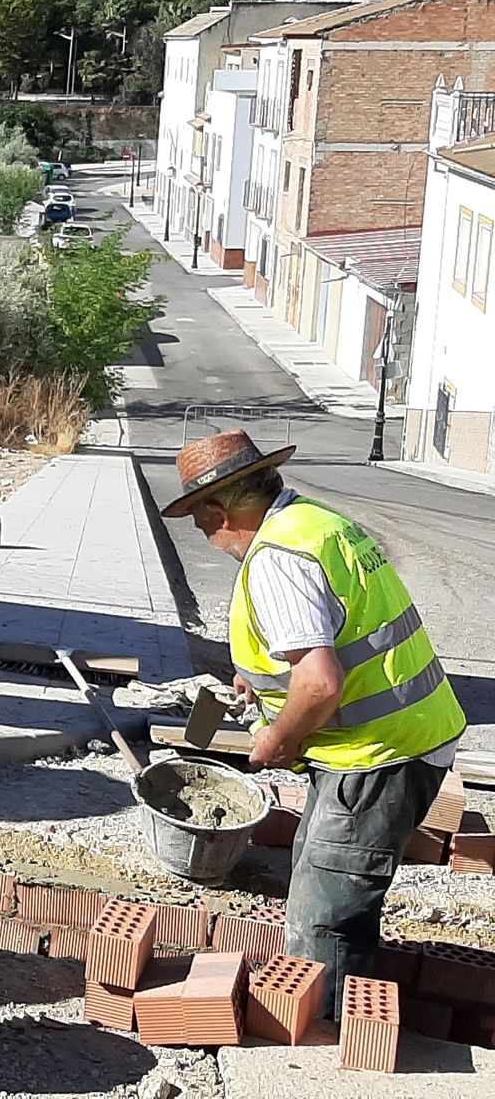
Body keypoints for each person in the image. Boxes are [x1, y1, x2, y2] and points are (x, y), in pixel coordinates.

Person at [163, 429, 466, 1014]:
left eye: (201, 522)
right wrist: (263, 677)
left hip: (378, 756)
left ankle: (322, 1036)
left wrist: (280, 736)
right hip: (398, 740)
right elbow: (331, 634)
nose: (205, 536)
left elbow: (322, 682)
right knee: (318, 873)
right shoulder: (312, 522)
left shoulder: (278, 557)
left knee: (323, 918)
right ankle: (330, 1008)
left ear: (219, 510)